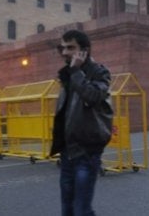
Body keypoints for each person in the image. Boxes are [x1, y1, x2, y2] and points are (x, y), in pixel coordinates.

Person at [50, 29, 113, 216]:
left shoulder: (99, 72)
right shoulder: (67, 75)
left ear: (84, 51)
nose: (64, 53)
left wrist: (77, 71)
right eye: (62, 48)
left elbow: (92, 95)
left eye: (70, 48)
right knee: (67, 208)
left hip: (87, 150)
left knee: (81, 209)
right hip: (68, 151)